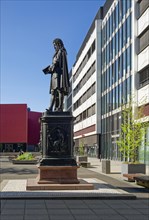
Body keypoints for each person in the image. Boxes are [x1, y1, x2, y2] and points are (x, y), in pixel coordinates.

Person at [43, 38, 70, 112]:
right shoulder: (57, 52)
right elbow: (55, 62)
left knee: (60, 90)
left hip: (59, 74)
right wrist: (50, 69)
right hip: (54, 75)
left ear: (58, 44)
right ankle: (51, 108)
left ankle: (60, 107)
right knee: (53, 91)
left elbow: (56, 62)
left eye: (55, 45)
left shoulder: (61, 51)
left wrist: (49, 69)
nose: (54, 47)